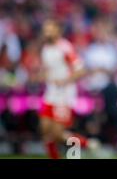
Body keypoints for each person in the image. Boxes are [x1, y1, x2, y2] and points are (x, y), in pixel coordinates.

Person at [38, 19, 97, 159]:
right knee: (45, 129)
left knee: (58, 133)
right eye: (45, 29)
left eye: (50, 29)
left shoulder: (65, 48)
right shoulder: (45, 49)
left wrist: (64, 80)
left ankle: (85, 144)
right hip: (50, 92)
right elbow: (48, 70)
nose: (47, 32)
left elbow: (81, 70)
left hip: (64, 95)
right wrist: (43, 76)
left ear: (58, 31)